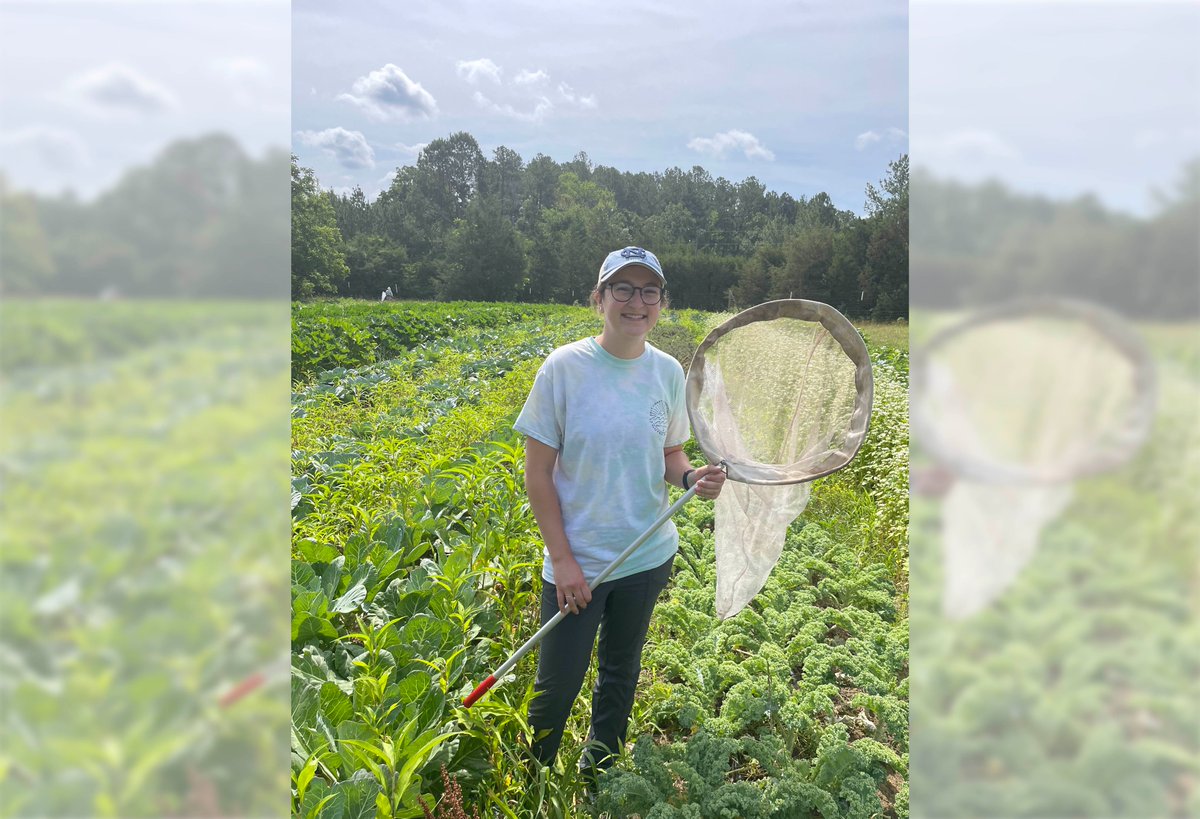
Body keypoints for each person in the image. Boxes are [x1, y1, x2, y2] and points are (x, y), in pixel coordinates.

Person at [513, 246, 726, 783]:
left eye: (649, 291)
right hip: (578, 561)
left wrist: (689, 478)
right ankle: (534, 780)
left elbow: (668, 452)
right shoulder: (564, 368)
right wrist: (562, 561)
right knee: (558, 680)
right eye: (624, 290)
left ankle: (600, 766)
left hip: (646, 554)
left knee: (620, 669)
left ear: (661, 303)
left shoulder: (667, 371)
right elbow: (537, 473)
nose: (637, 302)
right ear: (600, 298)